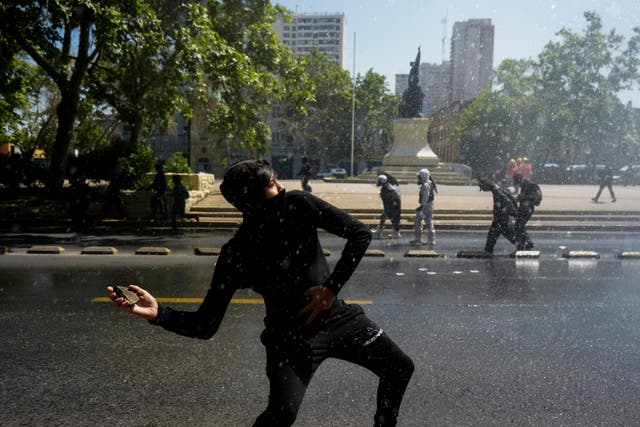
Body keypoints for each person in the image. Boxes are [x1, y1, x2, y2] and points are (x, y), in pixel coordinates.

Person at [107, 159, 414, 426]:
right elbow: (206, 325)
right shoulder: (236, 254)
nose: (280, 187)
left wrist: (331, 288)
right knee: (281, 415)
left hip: (340, 319)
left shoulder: (298, 204)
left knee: (400, 367)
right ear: (252, 200)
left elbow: (360, 233)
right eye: (272, 184)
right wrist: (159, 313)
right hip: (290, 340)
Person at [478, 178, 517, 254]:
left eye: (483, 188)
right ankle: (488, 250)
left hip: (501, 218)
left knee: (505, 234)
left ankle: (522, 246)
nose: (483, 190)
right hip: (500, 218)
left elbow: (508, 202)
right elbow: (508, 199)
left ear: (486, 185)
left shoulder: (496, 191)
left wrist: (506, 211)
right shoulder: (497, 189)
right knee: (495, 235)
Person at [512, 173, 539, 250]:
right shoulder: (524, 186)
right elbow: (522, 198)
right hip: (523, 209)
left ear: (521, 179)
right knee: (518, 226)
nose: (518, 185)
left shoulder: (531, 185)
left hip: (528, 209)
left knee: (519, 226)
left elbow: (537, 197)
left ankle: (524, 243)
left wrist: (525, 197)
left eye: (518, 182)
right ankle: (526, 243)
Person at [410, 168, 436, 247]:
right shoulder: (428, 184)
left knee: (421, 221)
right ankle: (428, 239)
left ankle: (423, 239)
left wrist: (421, 207)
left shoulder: (425, 185)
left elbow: (425, 196)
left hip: (426, 207)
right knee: (426, 222)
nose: (418, 179)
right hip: (428, 206)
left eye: (419, 177)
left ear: (423, 177)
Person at [371, 173, 402, 239]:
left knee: (393, 218)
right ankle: (381, 230)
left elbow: (388, 201)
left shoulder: (386, 189)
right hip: (394, 204)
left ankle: (395, 233)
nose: (377, 182)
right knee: (386, 217)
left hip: (392, 205)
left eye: (379, 181)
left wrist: (387, 210)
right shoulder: (388, 187)